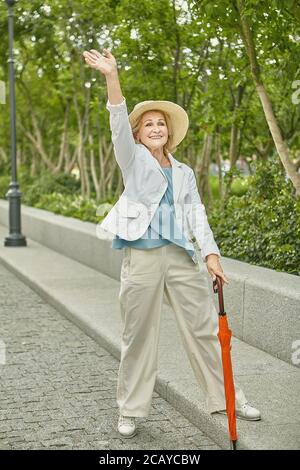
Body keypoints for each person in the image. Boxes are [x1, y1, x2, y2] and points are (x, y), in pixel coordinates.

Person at [83, 48, 261, 439]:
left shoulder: (183, 172)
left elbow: (196, 212)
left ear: (170, 132)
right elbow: (116, 117)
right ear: (137, 134)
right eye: (148, 124)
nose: (156, 127)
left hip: (181, 258)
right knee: (138, 335)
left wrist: (211, 254)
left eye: (161, 123)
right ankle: (130, 409)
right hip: (142, 257)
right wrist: (112, 75)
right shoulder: (132, 159)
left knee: (205, 332)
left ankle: (229, 398)